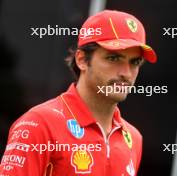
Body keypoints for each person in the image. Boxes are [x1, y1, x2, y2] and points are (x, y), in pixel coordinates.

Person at [0, 10, 157, 176]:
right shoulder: (39, 124)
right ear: (81, 59)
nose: (126, 73)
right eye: (113, 58)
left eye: (135, 62)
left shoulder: (133, 138)